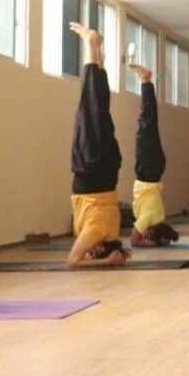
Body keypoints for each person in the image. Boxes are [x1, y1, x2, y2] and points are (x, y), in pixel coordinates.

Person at [66, 23, 128, 267]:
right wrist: (107, 262)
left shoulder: (111, 232)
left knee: (99, 107)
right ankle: (91, 44)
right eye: (93, 253)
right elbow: (73, 262)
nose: (88, 252)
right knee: (88, 106)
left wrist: (115, 255)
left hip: (107, 171)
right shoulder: (97, 232)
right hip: (91, 168)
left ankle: (97, 50)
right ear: (101, 248)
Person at [128, 64, 179, 247]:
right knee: (146, 123)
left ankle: (146, 81)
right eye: (148, 235)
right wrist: (151, 244)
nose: (144, 235)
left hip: (153, 171)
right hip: (149, 171)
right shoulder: (150, 217)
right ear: (151, 233)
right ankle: (146, 80)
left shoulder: (158, 216)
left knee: (147, 123)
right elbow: (134, 240)